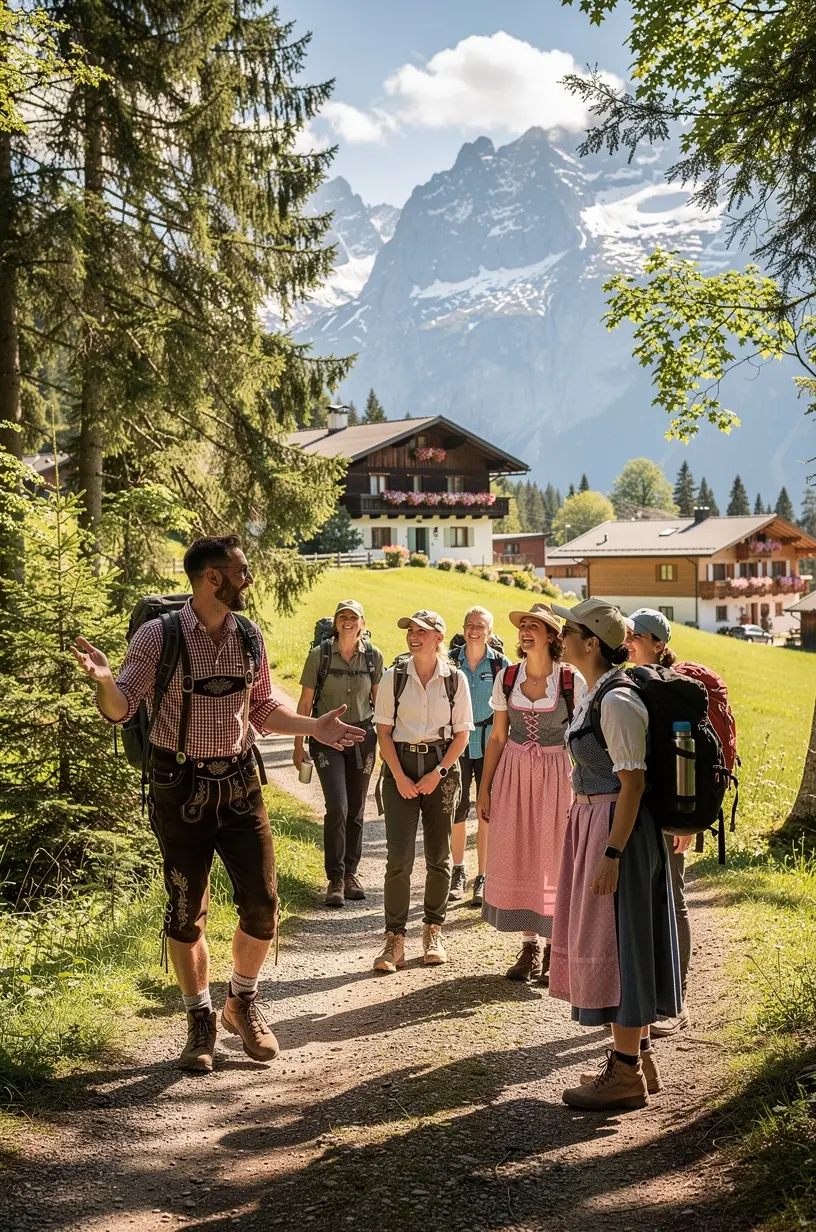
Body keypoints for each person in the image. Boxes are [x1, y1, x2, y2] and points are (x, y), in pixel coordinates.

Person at [73, 535, 364, 1075]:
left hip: (239, 783)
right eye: (240, 571)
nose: (247, 579)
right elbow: (120, 709)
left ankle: (241, 1002)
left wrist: (314, 726)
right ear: (212, 577)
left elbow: (262, 708)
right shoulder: (159, 636)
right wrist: (106, 681)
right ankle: (199, 1019)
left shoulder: (248, 635)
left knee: (264, 906)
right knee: (186, 913)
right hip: (179, 788)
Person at [548, 598, 682, 1111]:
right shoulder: (595, 692)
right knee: (619, 939)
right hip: (597, 825)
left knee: (623, 944)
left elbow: (633, 785)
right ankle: (638, 1059)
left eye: (569, 629)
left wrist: (611, 853)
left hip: (617, 830)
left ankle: (624, 1074)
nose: (561, 635)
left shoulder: (617, 700)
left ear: (591, 642)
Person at [476, 604, 584, 986]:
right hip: (514, 774)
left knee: (554, 857)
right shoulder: (507, 677)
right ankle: (529, 946)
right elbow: (497, 736)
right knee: (521, 853)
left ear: (551, 635)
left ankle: (554, 946)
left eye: (533, 626)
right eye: (522, 625)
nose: (524, 631)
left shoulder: (570, 680)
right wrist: (484, 789)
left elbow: (584, 737)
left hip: (557, 774)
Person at [373, 610, 473, 973]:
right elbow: (383, 732)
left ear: (439, 638)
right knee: (398, 858)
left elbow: (462, 735)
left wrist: (438, 773)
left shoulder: (455, 679)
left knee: (439, 856)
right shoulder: (394, 676)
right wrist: (399, 777)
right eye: (410, 630)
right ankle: (394, 940)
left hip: (441, 771)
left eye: (421, 631)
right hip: (400, 766)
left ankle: (433, 931)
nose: (413, 636)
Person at [294, 600, 383, 908]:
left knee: (356, 808)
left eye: (353, 617)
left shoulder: (373, 656)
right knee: (337, 807)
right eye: (342, 616)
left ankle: (350, 875)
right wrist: (298, 745)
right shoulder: (319, 656)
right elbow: (304, 704)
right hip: (326, 739)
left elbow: (380, 704)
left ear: (362, 622)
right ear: (335, 622)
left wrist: (389, 744)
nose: (348, 621)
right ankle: (335, 878)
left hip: (362, 739)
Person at [448, 606, 510, 907]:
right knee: (456, 810)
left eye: (480, 626)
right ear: (463, 629)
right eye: (469, 625)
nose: (474, 630)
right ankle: (458, 870)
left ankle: (483, 877)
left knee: (486, 811)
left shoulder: (501, 665)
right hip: (456, 745)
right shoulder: (450, 662)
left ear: (489, 631)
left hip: (490, 745)